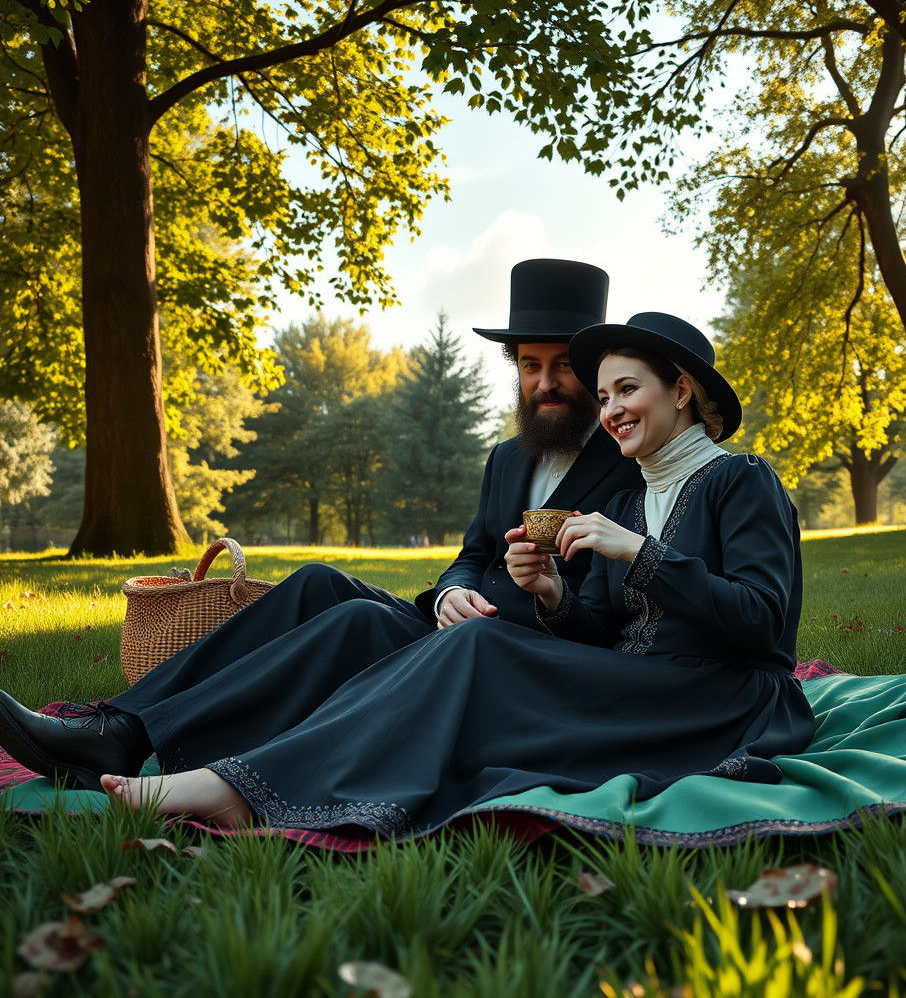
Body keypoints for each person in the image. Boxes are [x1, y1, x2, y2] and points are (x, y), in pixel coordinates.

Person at [4, 312, 815, 831]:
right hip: (629, 680)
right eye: (604, 395)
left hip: (722, 700)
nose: (609, 410)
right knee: (359, 605)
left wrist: (632, 556)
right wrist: (553, 592)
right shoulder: (634, 502)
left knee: (474, 650)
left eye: (625, 389)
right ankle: (155, 740)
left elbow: (760, 623)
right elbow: (604, 628)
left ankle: (240, 787)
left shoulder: (742, 482)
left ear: (683, 390)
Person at [0, 258, 643, 792]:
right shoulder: (507, 458)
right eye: (531, 366)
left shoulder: (625, 468)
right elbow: (471, 554)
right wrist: (449, 592)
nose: (545, 384)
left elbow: (606, 612)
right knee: (313, 582)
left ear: (591, 376)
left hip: (512, 655)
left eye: (560, 367)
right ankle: (120, 721)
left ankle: (131, 742)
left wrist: (532, 598)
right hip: (449, 623)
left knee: (356, 622)